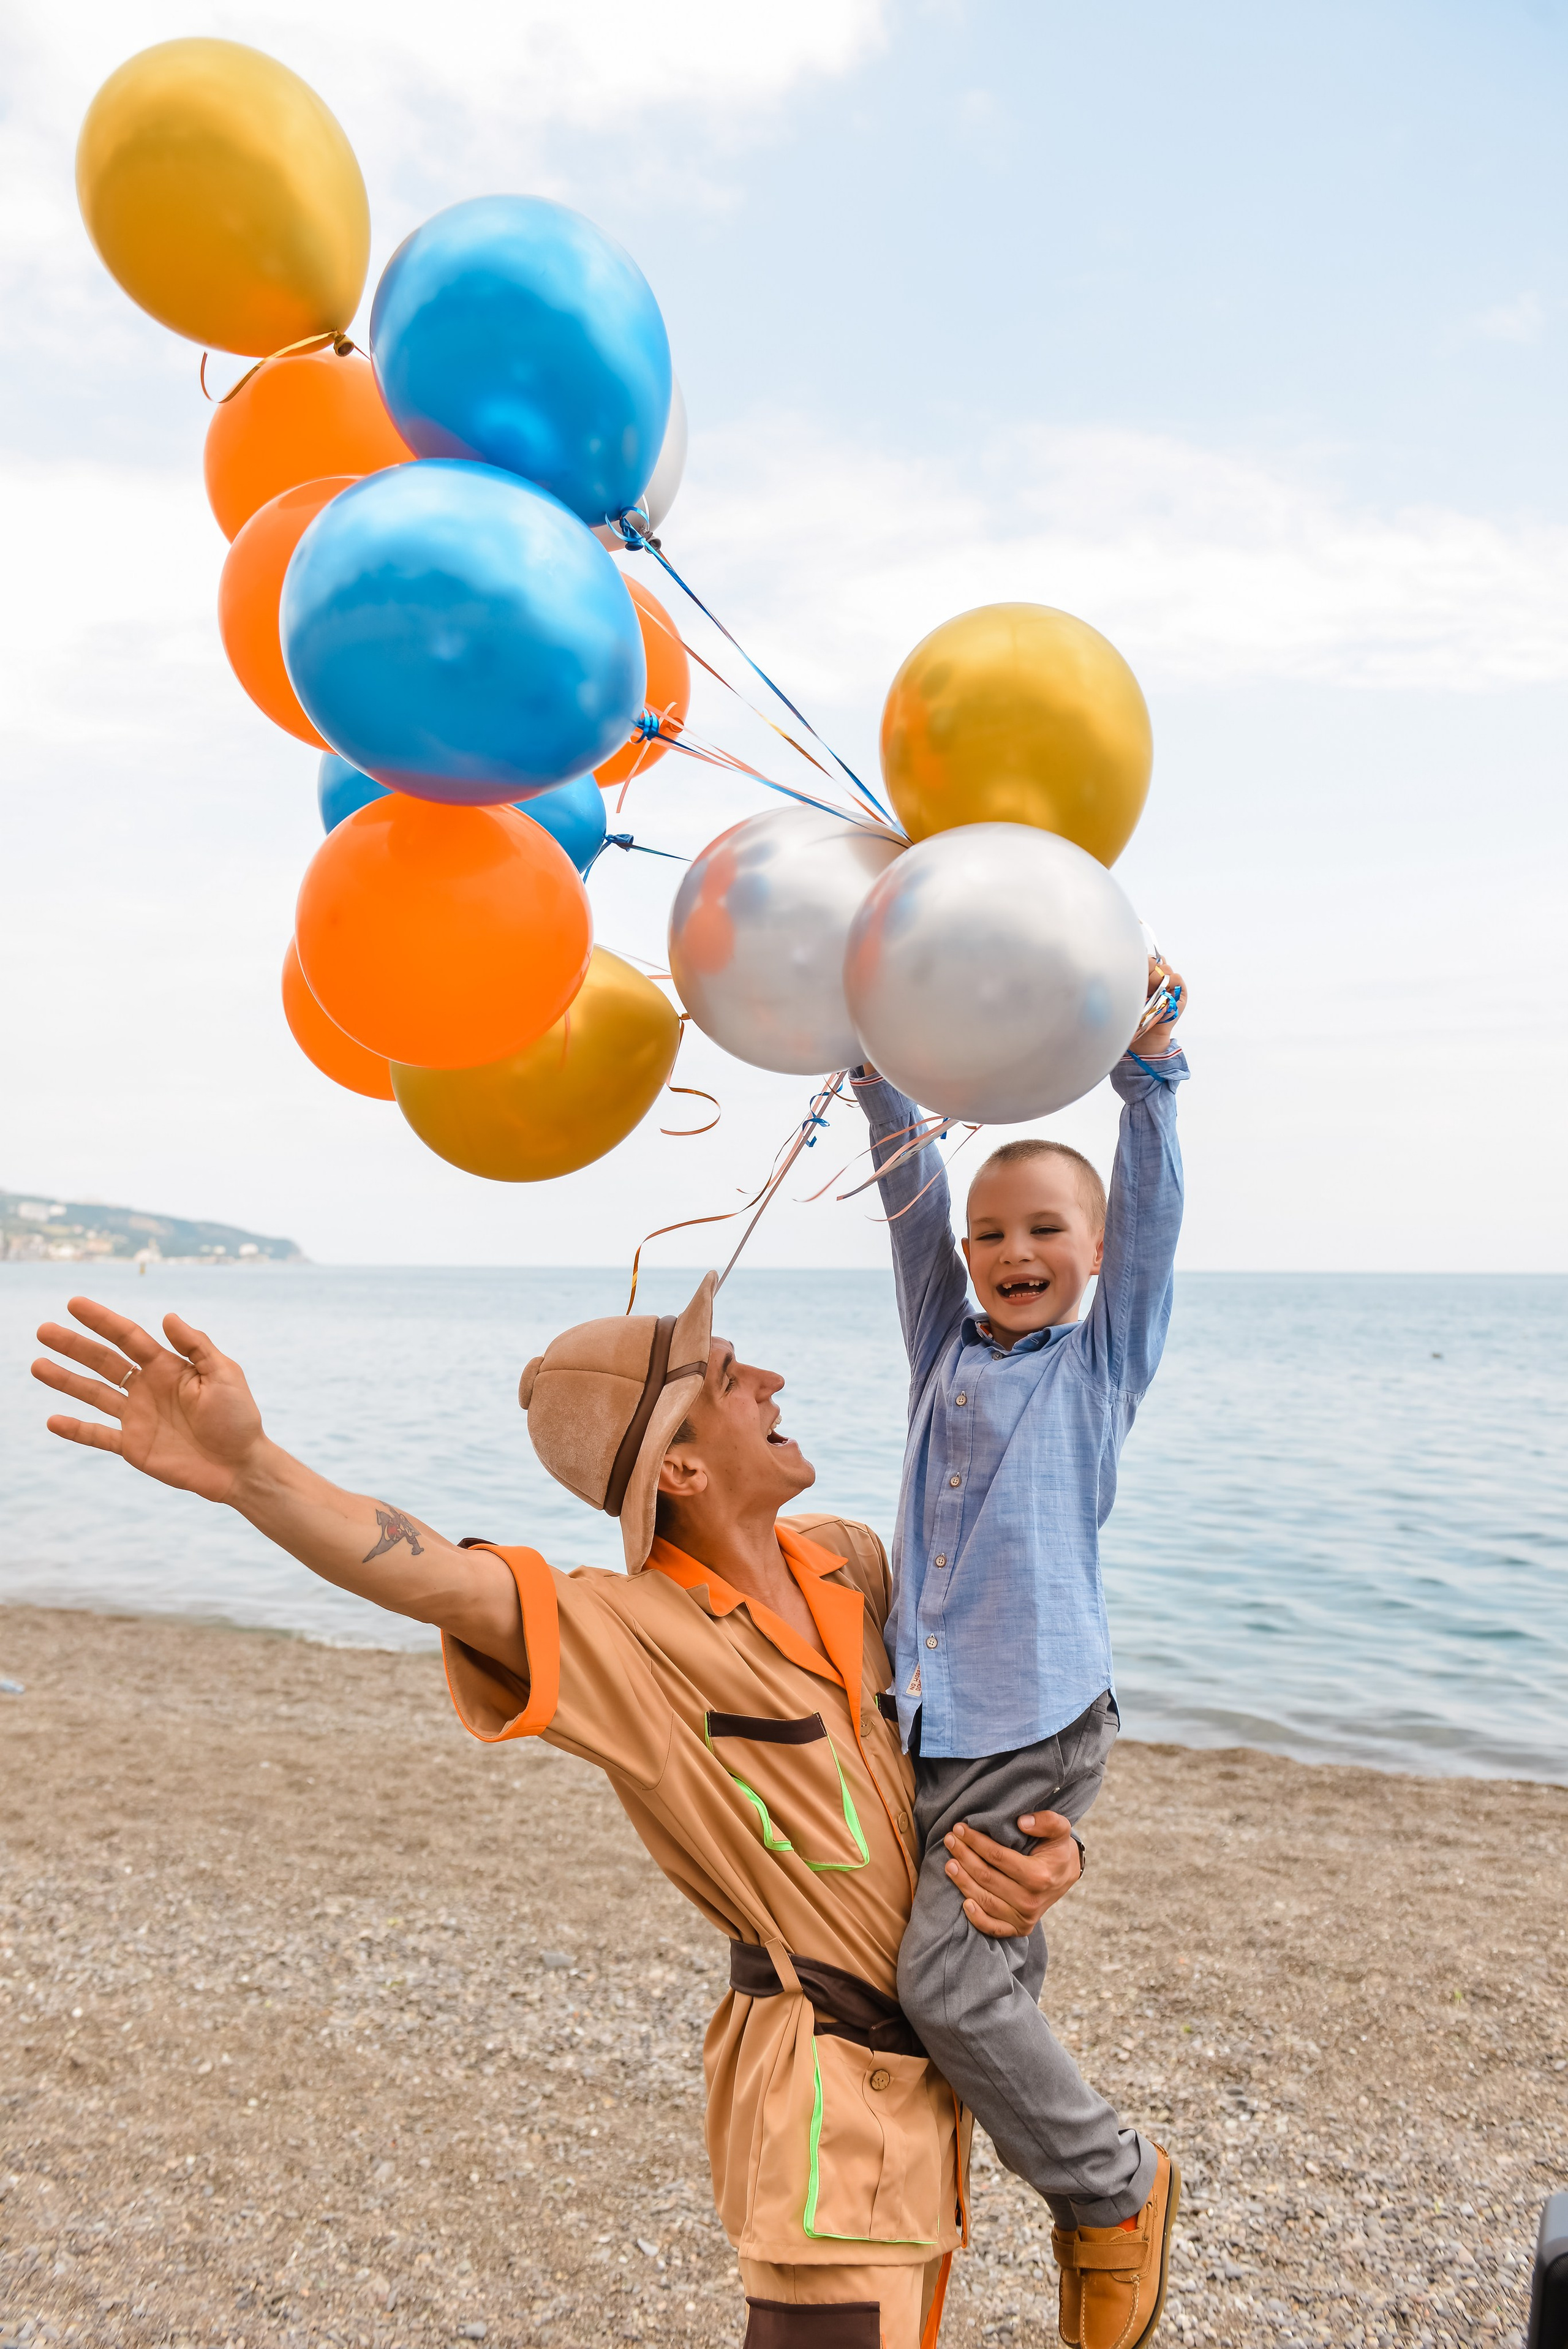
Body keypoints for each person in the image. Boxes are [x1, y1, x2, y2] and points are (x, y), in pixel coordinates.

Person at [31, 1276, 1087, 2349]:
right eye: (729, 1377)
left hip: (933, 2097)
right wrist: (253, 1471)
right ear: (679, 1465)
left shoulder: (854, 1563)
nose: (771, 1379)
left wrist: (1052, 1851)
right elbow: (439, 1578)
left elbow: (990, 1717)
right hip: (827, 2108)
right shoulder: (625, 1633)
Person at [853, 960, 1190, 2349]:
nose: (1009, 1249)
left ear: (1093, 1248)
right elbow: (908, 1206)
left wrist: (1150, 1073)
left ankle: (1110, 2189)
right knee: (979, 1979)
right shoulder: (944, 1345)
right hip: (929, 1724)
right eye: (993, 1231)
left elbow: (1156, 1208)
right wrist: (872, 1065)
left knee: (942, 1982)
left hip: (1035, 1720)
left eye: (1044, 1227)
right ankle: (948, 2236)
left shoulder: (1098, 1360)